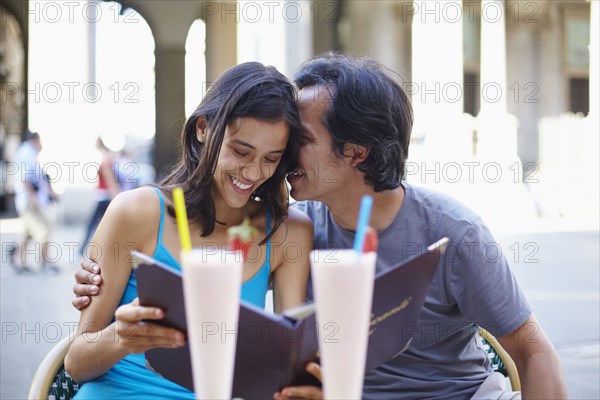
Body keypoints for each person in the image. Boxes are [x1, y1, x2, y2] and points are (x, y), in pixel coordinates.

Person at [72, 54, 567, 399]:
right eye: (248, 150)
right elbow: (81, 354)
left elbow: (531, 348)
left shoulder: (449, 231)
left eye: (290, 145)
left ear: (355, 152)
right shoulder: (293, 227)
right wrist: (114, 312)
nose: (269, 165)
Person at [64, 62, 313, 399]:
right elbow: (77, 362)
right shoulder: (136, 212)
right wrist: (121, 336)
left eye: (271, 159)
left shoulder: (289, 233)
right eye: (241, 151)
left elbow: (285, 368)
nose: (253, 172)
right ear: (203, 129)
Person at [8, 130, 59, 274]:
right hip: (29, 202)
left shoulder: (30, 154)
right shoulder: (26, 154)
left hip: (31, 200)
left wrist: (50, 194)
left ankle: (18, 260)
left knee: (27, 233)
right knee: (43, 230)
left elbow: (40, 180)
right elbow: (25, 179)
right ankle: (46, 263)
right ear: (36, 140)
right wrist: (33, 198)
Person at [79, 137, 121, 254]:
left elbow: (110, 180)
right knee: (101, 224)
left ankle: (83, 249)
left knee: (94, 224)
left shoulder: (105, 158)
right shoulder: (104, 157)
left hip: (104, 197)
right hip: (102, 196)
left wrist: (115, 197)